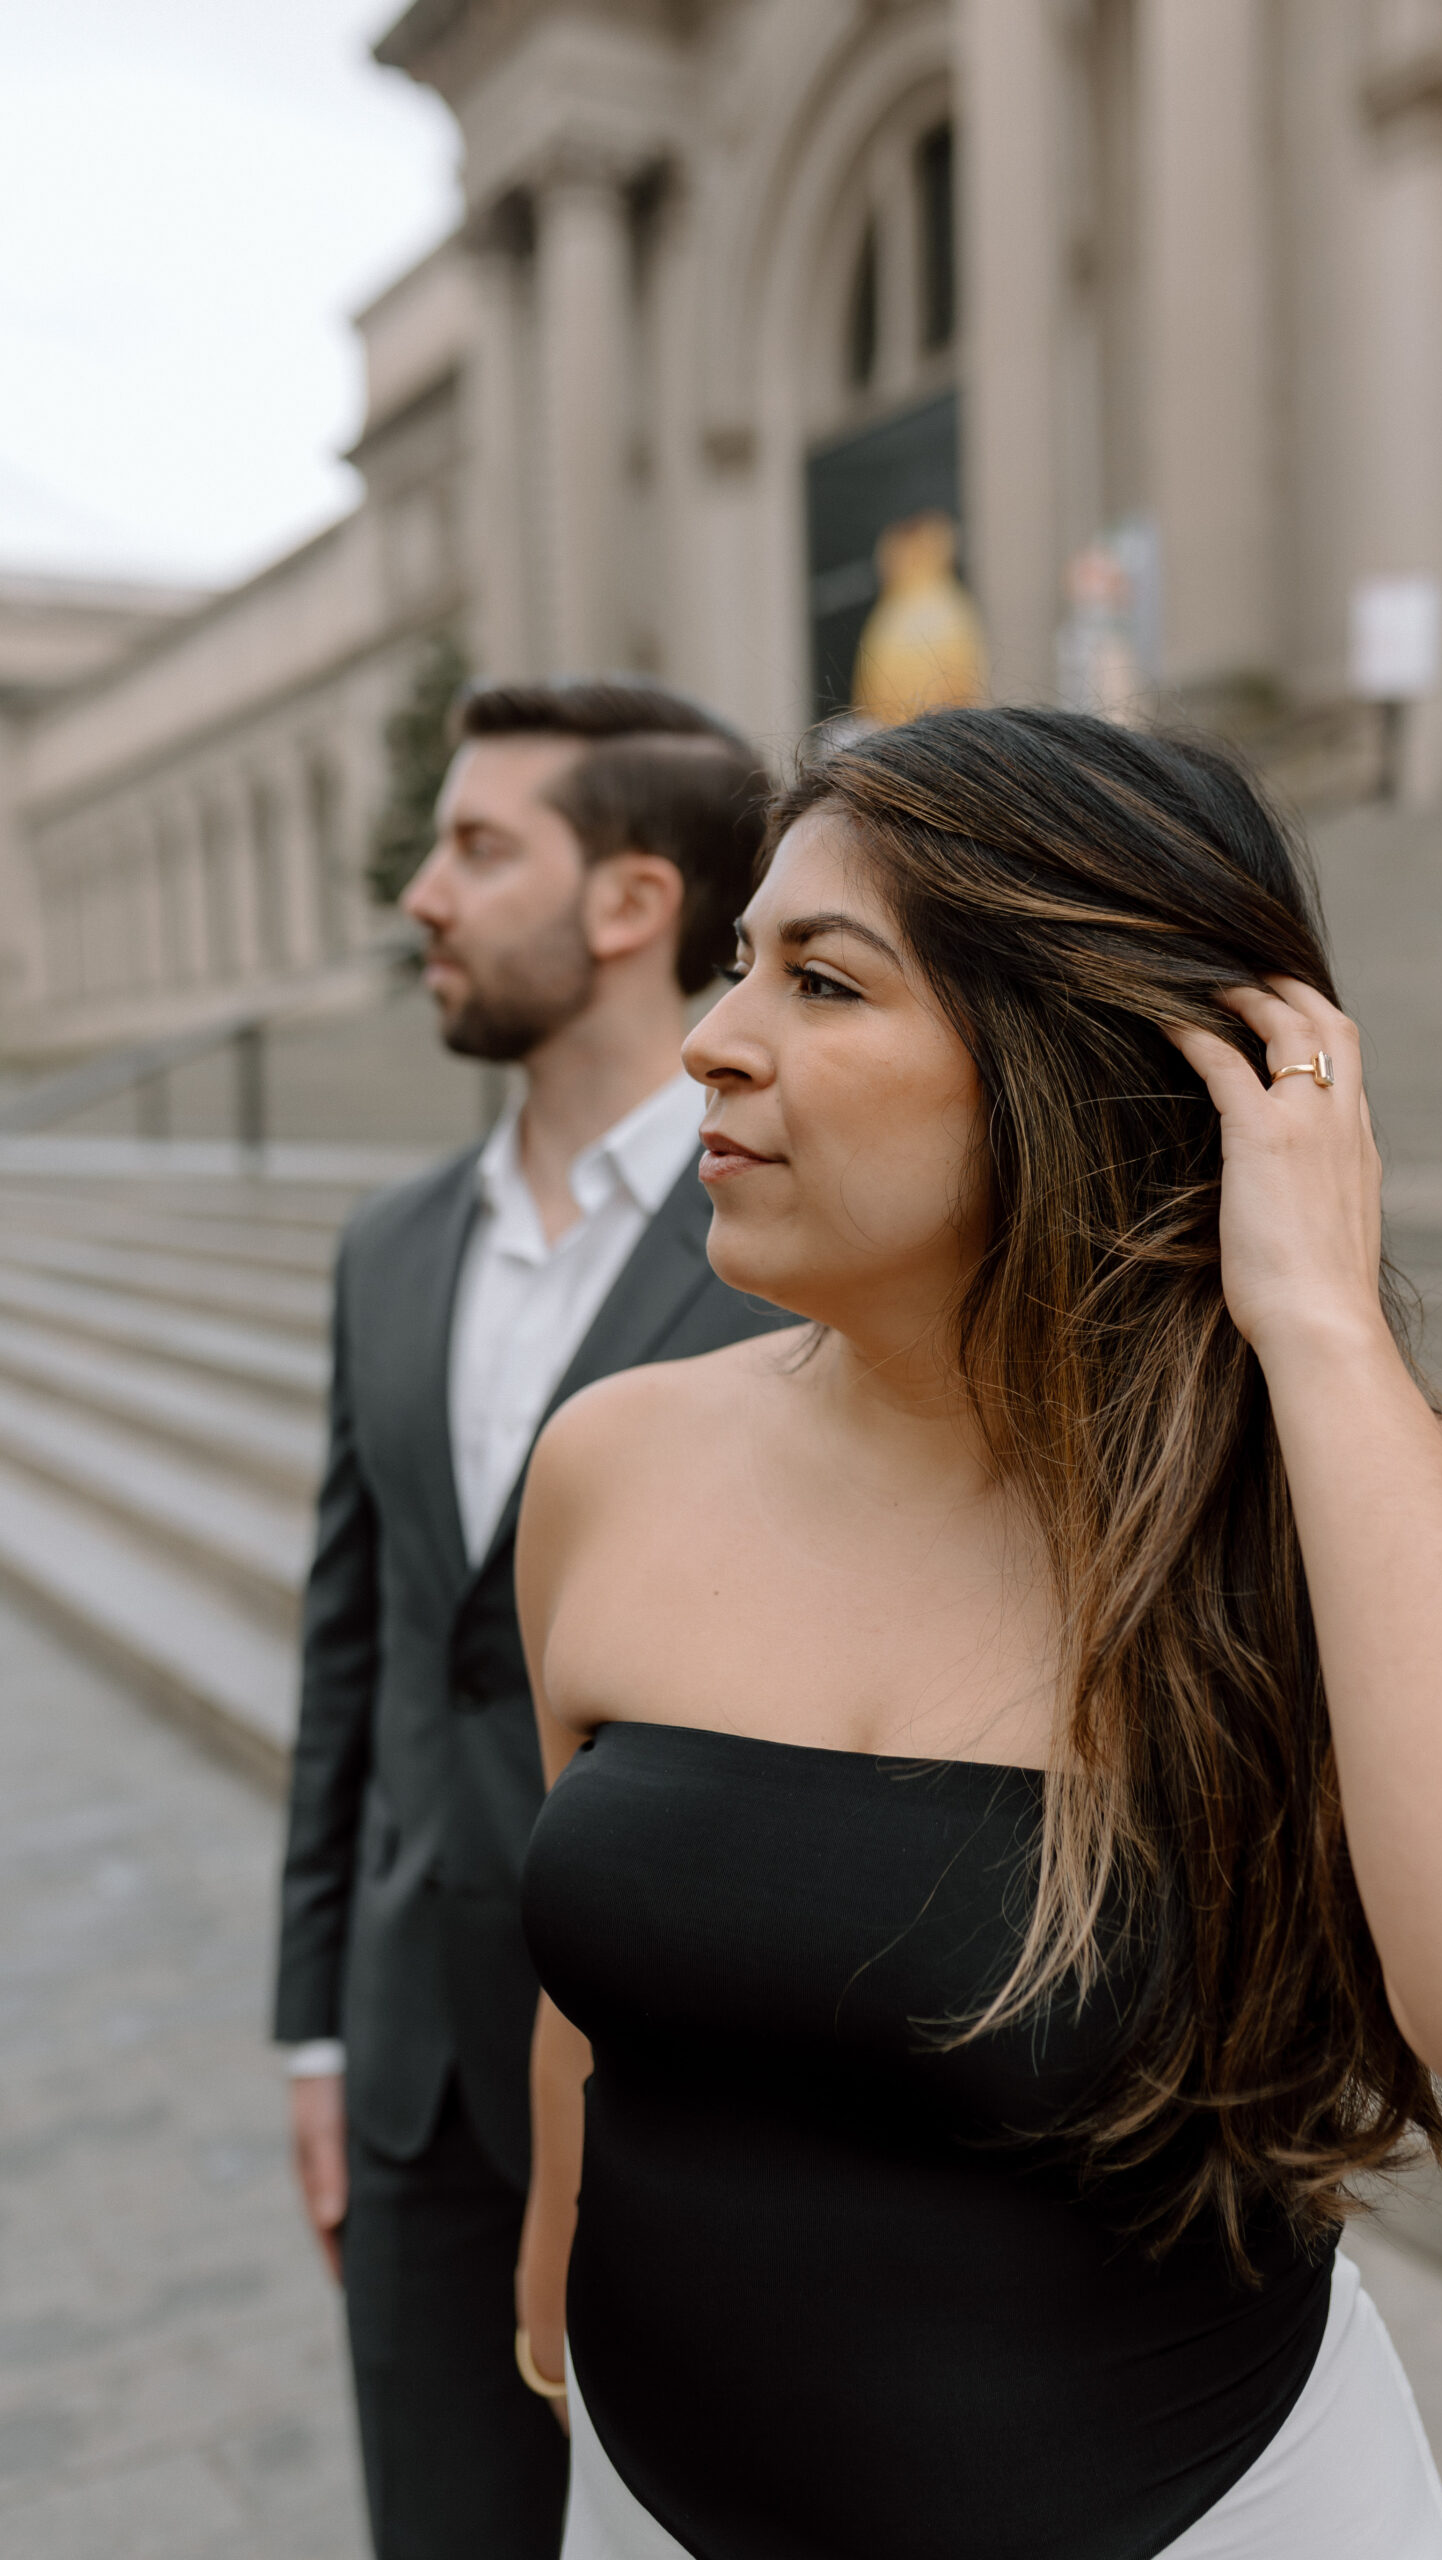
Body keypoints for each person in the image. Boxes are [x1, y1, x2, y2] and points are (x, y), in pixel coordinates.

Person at [513, 707, 1442, 2560]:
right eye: (739, 962)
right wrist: (548, 2295)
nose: (710, 1043)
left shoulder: (1355, 1504)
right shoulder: (612, 1463)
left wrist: (1317, 1329)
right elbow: (594, 1997)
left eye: (824, 983)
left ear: (1070, 1060)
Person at [273, 678, 793, 2560]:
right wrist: (314, 2040)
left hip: (705, 2102)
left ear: (633, 905)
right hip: (415, 2084)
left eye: (477, 847)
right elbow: (361, 1662)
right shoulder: (387, 1248)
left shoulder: (794, 1244)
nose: (422, 892)